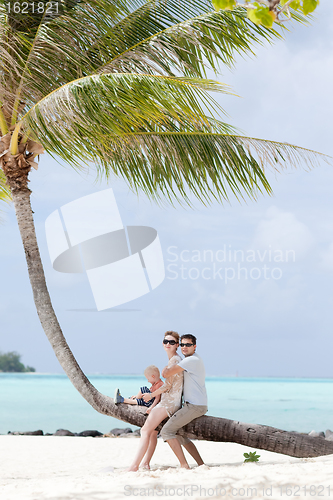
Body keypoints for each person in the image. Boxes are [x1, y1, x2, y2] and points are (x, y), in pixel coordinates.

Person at [127, 330, 183, 471]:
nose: (168, 344)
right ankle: (145, 463)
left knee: (145, 430)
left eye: (172, 342)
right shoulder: (173, 360)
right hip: (169, 401)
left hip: (169, 402)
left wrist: (151, 396)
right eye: (165, 341)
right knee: (152, 432)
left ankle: (134, 466)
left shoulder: (175, 361)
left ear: (177, 345)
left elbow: (168, 385)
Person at [160, 333, 207, 469]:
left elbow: (166, 374)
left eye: (188, 345)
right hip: (195, 404)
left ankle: (184, 465)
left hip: (195, 406)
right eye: (182, 344)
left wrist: (165, 368)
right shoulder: (193, 359)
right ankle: (201, 464)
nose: (184, 347)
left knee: (166, 431)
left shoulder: (190, 361)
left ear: (195, 346)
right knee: (180, 435)